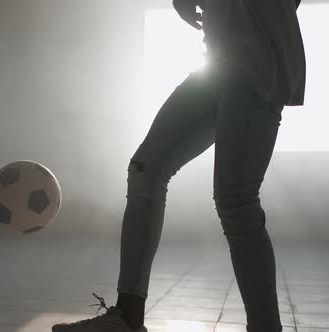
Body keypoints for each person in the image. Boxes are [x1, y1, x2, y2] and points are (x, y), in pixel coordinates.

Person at [52, 0, 305, 331]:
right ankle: (127, 318)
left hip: (257, 62)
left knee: (236, 200)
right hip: (215, 63)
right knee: (146, 170)